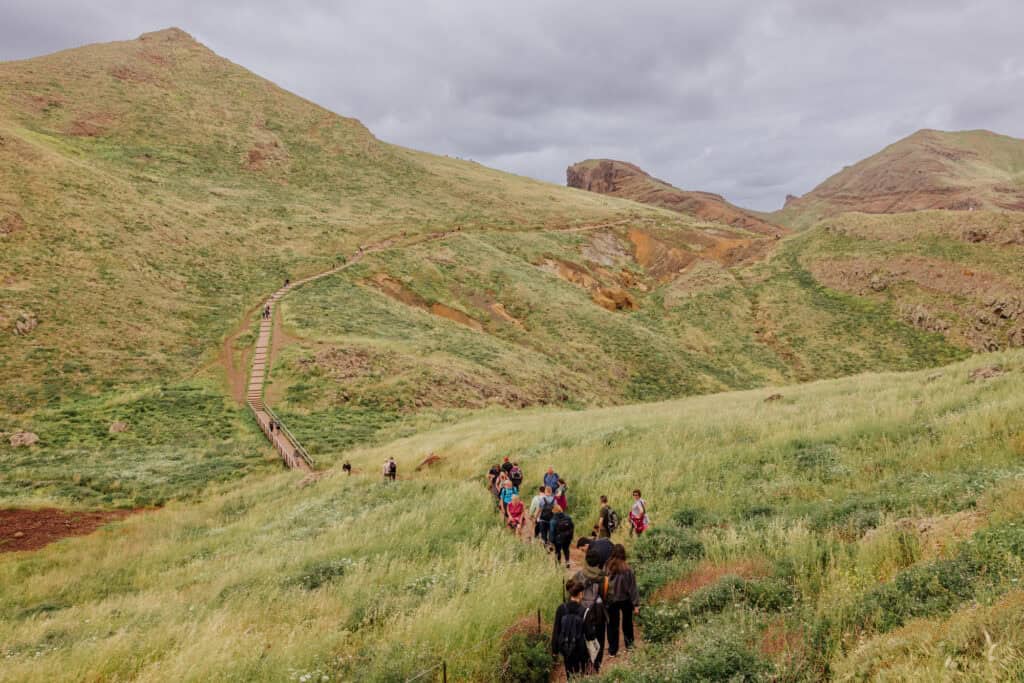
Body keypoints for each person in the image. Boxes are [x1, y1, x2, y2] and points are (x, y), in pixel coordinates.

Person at [572, 547, 609, 673]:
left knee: (583, 638)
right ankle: (596, 665)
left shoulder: (578, 576)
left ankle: (586, 665)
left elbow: (571, 594)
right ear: (599, 562)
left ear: (586, 561)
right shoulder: (603, 577)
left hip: (581, 613)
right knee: (599, 638)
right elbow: (608, 596)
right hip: (598, 613)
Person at [606, 544, 640, 657]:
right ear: (624, 554)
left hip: (611, 600)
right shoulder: (628, 569)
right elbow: (632, 588)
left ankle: (612, 651)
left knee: (612, 625)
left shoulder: (607, 567)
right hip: (625, 600)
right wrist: (636, 604)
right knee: (627, 624)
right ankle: (629, 646)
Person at [551, 580, 588, 678]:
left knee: (569, 671)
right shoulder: (583, 610)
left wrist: (554, 649)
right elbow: (588, 632)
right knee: (581, 673)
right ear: (580, 593)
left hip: (566, 646)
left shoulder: (561, 609)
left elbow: (556, 630)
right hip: (580, 647)